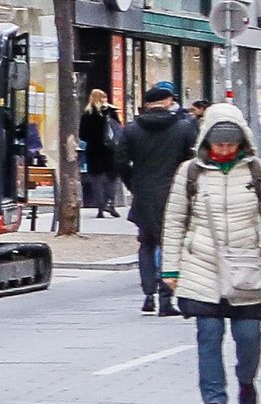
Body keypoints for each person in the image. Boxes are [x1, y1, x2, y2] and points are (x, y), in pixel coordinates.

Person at [163, 107, 261, 404]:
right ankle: (214, 400)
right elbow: (175, 221)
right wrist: (170, 268)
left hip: (245, 265)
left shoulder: (256, 172)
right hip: (201, 264)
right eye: (218, 145)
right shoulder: (190, 172)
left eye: (230, 144)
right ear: (207, 141)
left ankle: (246, 381)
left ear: (241, 142)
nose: (224, 150)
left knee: (248, 337)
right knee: (208, 333)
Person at [119, 84, 195, 316]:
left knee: (146, 243)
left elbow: (120, 162)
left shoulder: (131, 130)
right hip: (174, 194)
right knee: (171, 244)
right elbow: (192, 163)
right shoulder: (184, 128)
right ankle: (166, 298)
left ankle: (148, 294)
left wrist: (134, 185)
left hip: (144, 193)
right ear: (169, 101)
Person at [79, 94, 126, 222]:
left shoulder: (87, 115)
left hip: (94, 151)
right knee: (112, 178)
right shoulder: (111, 112)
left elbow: (82, 135)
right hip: (111, 151)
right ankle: (110, 202)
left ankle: (100, 206)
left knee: (96, 179)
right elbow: (119, 130)